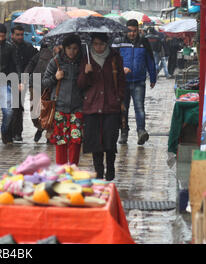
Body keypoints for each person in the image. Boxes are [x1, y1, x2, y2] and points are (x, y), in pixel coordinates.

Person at [78, 33, 126, 181]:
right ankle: (99, 171)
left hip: (111, 105)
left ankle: (110, 168)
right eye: (96, 44)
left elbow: (121, 81)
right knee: (95, 142)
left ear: (106, 44)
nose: (98, 47)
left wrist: (119, 98)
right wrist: (86, 73)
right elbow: (80, 84)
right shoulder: (86, 58)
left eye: (101, 44)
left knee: (110, 140)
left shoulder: (115, 57)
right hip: (92, 105)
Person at [113, 19, 156, 145]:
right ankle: (124, 132)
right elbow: (112, 61)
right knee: (123, 109)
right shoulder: (118, 42)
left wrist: (153, 78)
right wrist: (120, 70)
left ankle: (141, 131)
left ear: (138, 30)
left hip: (139, 81)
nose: (132, 34)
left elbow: (150, 60)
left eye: (134, 31)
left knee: (139, 108)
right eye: (130, 31)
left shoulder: (144, 42)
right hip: (123, 82)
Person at [42, 34, 84, 165]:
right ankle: (61, 170)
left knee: (75, 141)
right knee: (60, 141)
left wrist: (88, 73)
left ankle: (73, 169)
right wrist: (55, 77)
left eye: (75, 48)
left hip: (77, 108)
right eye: (69, 48)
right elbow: (44, 82)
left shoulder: (83, 62)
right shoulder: (56, 62)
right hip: (59, 108)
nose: (72, 51)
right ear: (64, 48)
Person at [25, 43, 59, 143]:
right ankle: (39, 128)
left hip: (51, 86)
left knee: (50, 110)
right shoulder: (43, 52)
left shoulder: (63, 58)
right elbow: (31, 64)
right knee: (34, 110)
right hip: (36, 82)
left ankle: (49, 132)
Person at [9, 25, 38, 142]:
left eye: (21, 34)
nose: (20, 37)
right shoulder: (8, 47)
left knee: (18, 107)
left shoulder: (28, 47)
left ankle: (17, 132)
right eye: (17, 34)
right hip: (7, 80)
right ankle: (8, 132)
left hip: (22, 81)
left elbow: (36, 59)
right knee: (8, 108)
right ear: (12, 35)